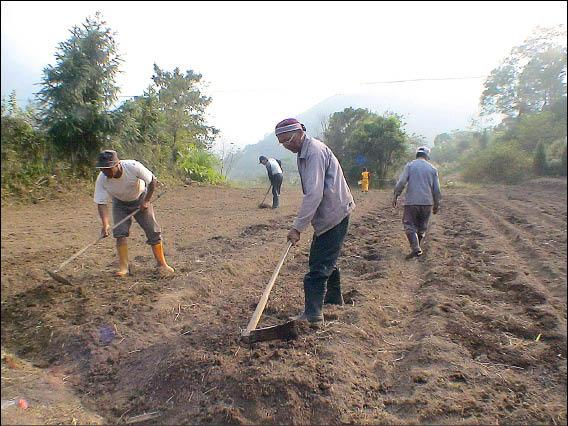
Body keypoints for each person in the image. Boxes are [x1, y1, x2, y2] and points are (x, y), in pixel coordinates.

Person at [276, 118, 355, 326]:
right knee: (327, 258)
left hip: (334, 213)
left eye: (288, 140)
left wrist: (297, 227)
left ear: (300, 132)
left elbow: (313, 194)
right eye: (282, 143)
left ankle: (313, 315)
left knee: (318, 266)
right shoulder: (303, 152)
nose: (286, 145)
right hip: (329, 213)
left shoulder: (314, 152)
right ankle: (334, 299)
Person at [93, 150, 175, 277]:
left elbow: (152, 181)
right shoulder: (102, 179)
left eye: (108, 168)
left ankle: (162, 264)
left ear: (117, 164)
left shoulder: (133, 167)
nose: (105, 172)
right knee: (120, 233)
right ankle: (124, 267)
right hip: (119, 203)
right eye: (102, 169)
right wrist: (105, 224)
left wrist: (146, 201)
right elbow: (101, 202)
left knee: (153, 231)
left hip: (140, 199)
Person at [392, 146, 441, 259]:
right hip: (427, 202)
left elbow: (402, 182)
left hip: (412, 202)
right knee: (422, 227)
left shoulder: (410, 166)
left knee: (409, 225)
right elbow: (437, 189)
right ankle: (416, 247)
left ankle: (416, 248)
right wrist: (436, 203)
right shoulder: (433, 169)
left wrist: (396, 195)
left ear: (417, 155)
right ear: (427, 156)